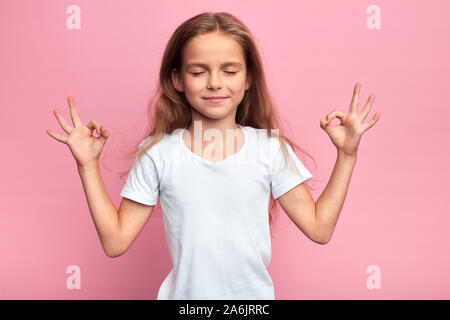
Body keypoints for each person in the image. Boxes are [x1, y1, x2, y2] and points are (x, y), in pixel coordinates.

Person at [47, 12, 380, 300]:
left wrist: (347, 156)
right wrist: (88, 165)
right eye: (198, 71)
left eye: (230, 71)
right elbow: (115, 242)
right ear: (176, 79)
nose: (215, 82)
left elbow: (320, 229)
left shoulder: (269, 149)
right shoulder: (158, 153)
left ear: (249, 78)